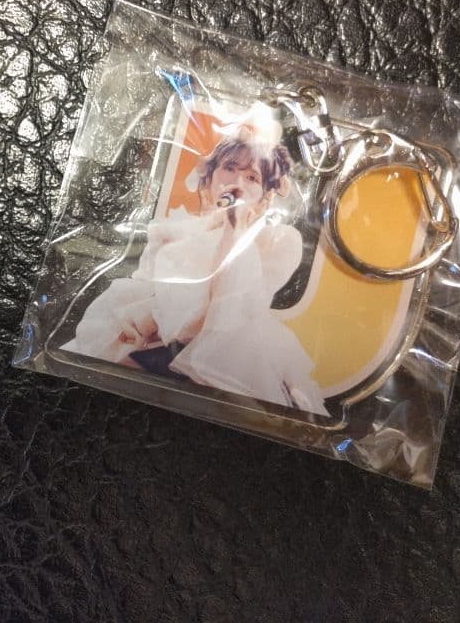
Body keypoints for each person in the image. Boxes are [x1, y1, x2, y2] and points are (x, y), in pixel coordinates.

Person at [64, 108, 327, 415]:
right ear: (209, 178)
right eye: (229, 168)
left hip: (229, 346)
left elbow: (238, 305)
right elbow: (148, 283)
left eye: (252, 177)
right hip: (156, 339)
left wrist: (235, 228)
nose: (238, 181)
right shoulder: (172, 230)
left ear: (265, 196)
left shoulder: (278, 241)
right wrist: (148, 320)